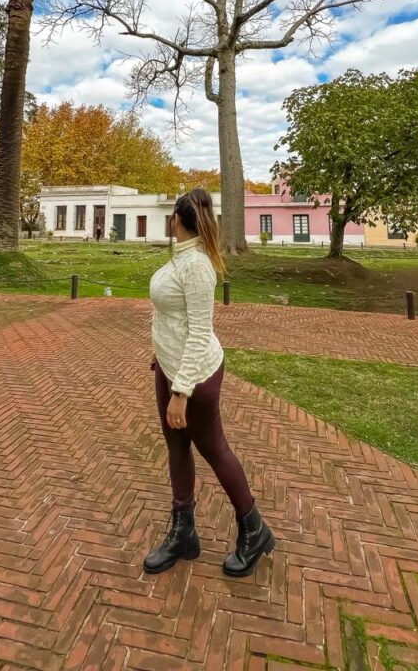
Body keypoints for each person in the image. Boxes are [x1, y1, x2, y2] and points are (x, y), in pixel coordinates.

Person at [143, 188, 274, 577]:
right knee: (176, 446)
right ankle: (184, 533)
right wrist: (162, 356)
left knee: (215, 449)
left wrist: (181, 391)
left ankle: (255, 530)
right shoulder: (180, 257)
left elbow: (200, 333)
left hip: (195, 375)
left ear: (177, 221)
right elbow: (174, 319)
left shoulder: (196, 265)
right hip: (170, 367)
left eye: (171, 215)